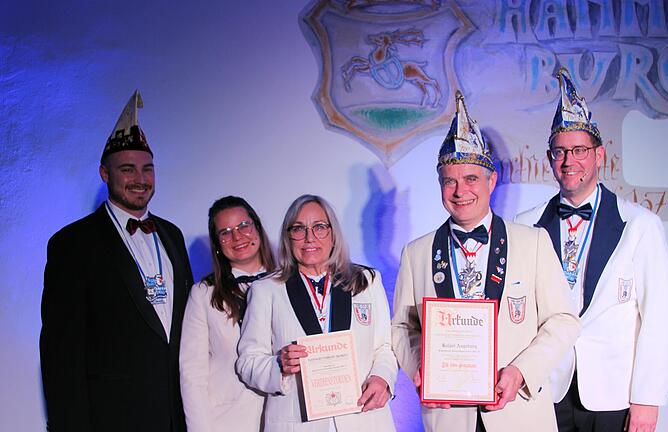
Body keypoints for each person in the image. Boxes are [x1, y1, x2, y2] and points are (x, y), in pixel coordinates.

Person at [391, 91, 580, 432]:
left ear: (492, 181)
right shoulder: (416, 253)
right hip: (448, 416)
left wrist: (521, 372)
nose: (460, 191)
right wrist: (421, 364)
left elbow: (564, 321)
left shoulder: (533, 242)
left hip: (520, 414)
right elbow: (402, 328)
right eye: (450, 181)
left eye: (471, 179)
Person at [515, 67, 668, 432]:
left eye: (579, 150)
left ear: (599, 155)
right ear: (549, 159)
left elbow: (661, 316)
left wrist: (647, 399)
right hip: (544, 388)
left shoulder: (640, 225)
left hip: (613, 395)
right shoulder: (523, 226)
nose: (568, 161)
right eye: (559, 152)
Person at [40, 90, 193, 431]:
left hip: (177, 417)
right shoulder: (73, 244)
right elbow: (60, 352)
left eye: (147, 169)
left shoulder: (173, 235)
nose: (140, 179)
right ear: (104, 174)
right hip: (112, 420)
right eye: (127, 169)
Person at [236, 194, 397, 432]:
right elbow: (247, 362)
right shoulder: (265, 290)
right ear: (288, 237)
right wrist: (279, 365)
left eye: (319, 227)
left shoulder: (367, 281)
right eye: (299, 229)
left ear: (333, 234)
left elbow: (385, 348)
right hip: (297, 424)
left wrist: (383, 378)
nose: (309, 237)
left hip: (363, 419)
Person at [180, 196, 276, 432]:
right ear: (217, 245)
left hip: (283, 417)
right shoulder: (203, 294)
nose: (237, 237)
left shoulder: (288, 283)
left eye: (244, 226)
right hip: (227, 421)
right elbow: (192, 374)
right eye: (225, 232)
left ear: (257, 227)